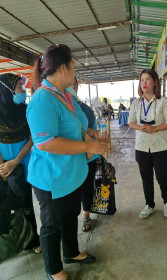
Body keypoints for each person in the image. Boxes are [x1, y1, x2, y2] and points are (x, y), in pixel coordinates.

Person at [27, 44, 107, 280]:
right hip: (51, 177)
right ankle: (53, 269)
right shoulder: (42, 99)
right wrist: (87, 146)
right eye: (73, 67)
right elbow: (46, 142)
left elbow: (75, 126)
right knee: (52, 225)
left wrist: (89, 134)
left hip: (71, 173)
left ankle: (71, 252)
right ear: (63, 68)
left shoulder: (64, 95)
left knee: (70, 215)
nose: (74, 73)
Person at [0, 73, 41, 267]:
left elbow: (32, 138)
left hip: (21, 166)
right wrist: (2, 166)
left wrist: (15, 162)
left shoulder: (24, 109)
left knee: (26, 205)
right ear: (7, 89)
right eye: (19, 87)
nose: (22, 90)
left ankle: (31, 241)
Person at [128, 69, 167, 219]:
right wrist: (139, 127)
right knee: (146, 178)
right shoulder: (136, 103)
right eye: (142, 80)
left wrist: (155, 128)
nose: (144, 83)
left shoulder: (163, 101)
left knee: (163, 178)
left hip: (161, 147)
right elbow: (131, 122)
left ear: (155, 82)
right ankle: (150, 204)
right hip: (141, 147)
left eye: (148, 79)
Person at [68, 77, 98, 232]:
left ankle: (85, 214)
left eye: (74, 83)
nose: (71, 86)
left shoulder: (85, 109)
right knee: (72, 190)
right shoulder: (58, 105)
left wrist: (93, 146)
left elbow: (93, 133)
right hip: (69, 157)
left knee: (87, 187)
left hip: (87, 156)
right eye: (68, 82)